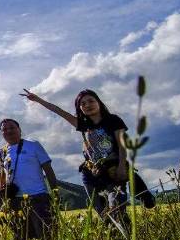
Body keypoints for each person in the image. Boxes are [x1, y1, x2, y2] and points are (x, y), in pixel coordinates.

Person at [21, 88, 156, 227]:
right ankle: (115, 236)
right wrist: (38, 99)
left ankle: (124, 226)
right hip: (91, 172)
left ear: (99, 102)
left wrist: (122, 166)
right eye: (83, 104)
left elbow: (122, 146)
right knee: (101, 211)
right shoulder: (82, 124)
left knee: (116, 207)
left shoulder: (113, 120)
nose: (87, 105)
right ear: (80, 108)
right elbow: (58, 111)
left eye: (91, 101)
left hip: (113, 169)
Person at [0, 118, 59, 240]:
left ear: (19, 129)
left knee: (48, 237)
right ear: (2, 133)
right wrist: (4, 199)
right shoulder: (0, 153)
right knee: (24, 239)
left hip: (38, 197)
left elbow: (48, 170)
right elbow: (0, 177)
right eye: (4, 129)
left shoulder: (33, 145)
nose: (9, 131)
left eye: (12, 128)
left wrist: (55, 192)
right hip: (15, 201)